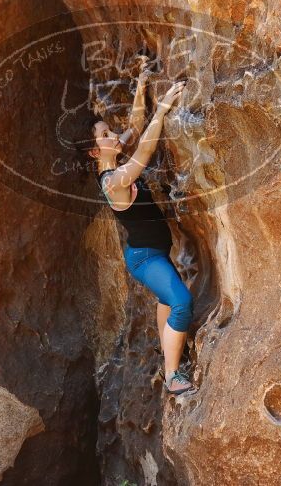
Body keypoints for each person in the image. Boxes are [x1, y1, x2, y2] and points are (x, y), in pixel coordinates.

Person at [83, 69, 196, 396]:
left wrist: (142, 85)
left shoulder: (115, 158)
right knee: (181, 302)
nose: (114, 135)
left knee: (166, 297)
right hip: (145, 258)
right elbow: (144, 153)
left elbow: (134, 126)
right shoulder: (113, 182)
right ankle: (172, 376)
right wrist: (161, 110)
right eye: (106, 134)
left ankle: (169, 350)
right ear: (95, 152)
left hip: (153, 252)